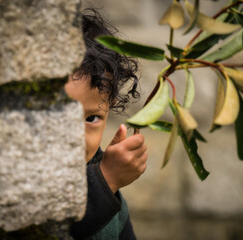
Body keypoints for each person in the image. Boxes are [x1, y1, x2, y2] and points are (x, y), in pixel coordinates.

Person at [66, 8, 148, 240]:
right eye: (60, 118)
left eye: (91, 118)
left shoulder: (115, 207)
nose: (76, 138)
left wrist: (106, 182)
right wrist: (107, 179)